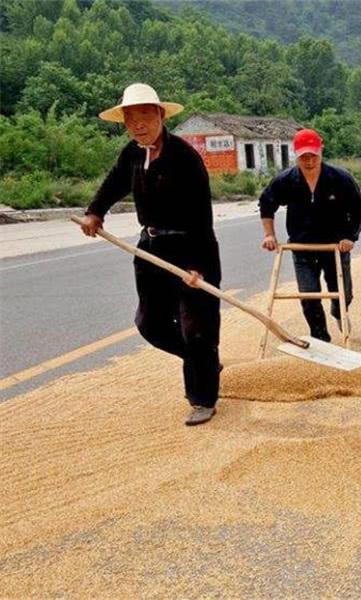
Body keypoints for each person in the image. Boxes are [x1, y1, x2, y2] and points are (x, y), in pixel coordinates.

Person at [78, 83, 221, 426]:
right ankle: (204, 363)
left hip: (191, 248)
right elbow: (114, 183)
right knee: (150, 324)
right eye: (131, 118)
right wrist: (95, 212)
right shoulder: (132, 153)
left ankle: (202, 398)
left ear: (160, 115)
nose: (138, 123)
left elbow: (202, 215)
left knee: (196, 327)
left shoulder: (185, 158)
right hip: (151, 248)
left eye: (145, 115)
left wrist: (197, 268)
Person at [259, 129, 361, 343]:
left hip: (335, 247)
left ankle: (339, 312)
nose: (309, 161)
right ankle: (320, 338)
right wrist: (269, 235)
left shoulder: (339, 178)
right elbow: (266, 204)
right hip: (302, 248)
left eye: (313, 156)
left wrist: (350, 237)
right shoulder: (286, 180)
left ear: (321, 150)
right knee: (308, 295)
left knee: (342, 292)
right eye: (303, 157)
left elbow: (358, 209)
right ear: (296, 155)